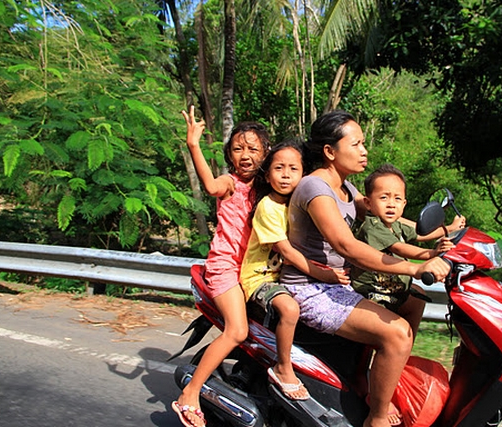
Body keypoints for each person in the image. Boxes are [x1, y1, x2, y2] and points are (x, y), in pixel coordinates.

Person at [280, 110, 450, 427]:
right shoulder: (315, 188)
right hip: (311, 288)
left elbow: (383, 215)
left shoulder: (346, 187)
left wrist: (441, 233)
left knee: (413, 300)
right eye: (356, 144)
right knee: (398, 334)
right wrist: (413, 268)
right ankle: (377, 417)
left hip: (337, 283)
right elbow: (347, 246)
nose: (364, 150)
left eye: (363, 144)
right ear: (330, 152)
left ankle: (375, 377)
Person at [173, 105, 270, 427]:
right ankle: (189, 393)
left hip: (254, 271)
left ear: (265, 152)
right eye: (238, 149)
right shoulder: (229, 183)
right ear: (229, 154)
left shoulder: (268, 188)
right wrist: (193, 144)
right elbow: (211, 187)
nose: (246, 155)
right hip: (225, 268)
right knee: (237, 331)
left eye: (253, 149)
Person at [239, 140, 350, 401]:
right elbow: (287, 252)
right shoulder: (268, 207)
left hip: (285, 276)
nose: (286, 175)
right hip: (261, 278)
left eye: (293, 169)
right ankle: (283, 367)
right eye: (279, 168)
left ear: (304, 175)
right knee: (290, 309)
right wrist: (323, 274)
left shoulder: (299, 203)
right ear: (267, 175)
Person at [351, 163, 460, 340]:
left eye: (397, 199)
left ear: (404, 204)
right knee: (395, 334)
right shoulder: (373, 226)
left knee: (418, 299)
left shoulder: (396, 224)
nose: (391, 204)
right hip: (373, 295)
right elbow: (399, 248)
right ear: (368, 203)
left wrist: (450, 229)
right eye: (384, 198)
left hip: (392, 292)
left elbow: (420, 234)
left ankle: (404, 351)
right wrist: (432, 254)